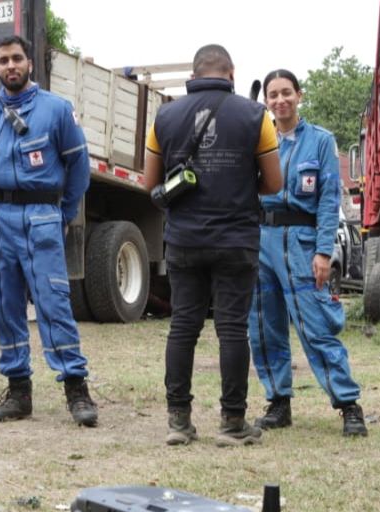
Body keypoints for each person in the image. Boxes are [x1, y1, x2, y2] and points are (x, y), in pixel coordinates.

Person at [143, 44, 282, 447]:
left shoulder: (164, 117)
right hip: (236, 239)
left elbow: (149, 184)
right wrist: (238, 185)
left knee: (183, 326)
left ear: (194, 72)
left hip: (184, 239)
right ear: (231, 72)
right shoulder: (256, 116)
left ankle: (179, 421)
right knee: (232, 329)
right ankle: (232, 422)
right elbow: (274, 184)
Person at [0, 34, 98, 427]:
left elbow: (78, 170)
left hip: (40, 216)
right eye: (3, 60)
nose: (11, 66)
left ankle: (77, 391)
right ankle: (19, 391)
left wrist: (58, 214)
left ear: (30, 63)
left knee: (53, 304)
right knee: (3, 305)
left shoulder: (56, 110)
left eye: (17, 59)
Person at [248, 70, 368, 437]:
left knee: (316, 327)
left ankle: (349, 406)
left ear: (299, 95)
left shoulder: (320, 141)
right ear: (266, 101)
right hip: (261, 240)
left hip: (301, 243)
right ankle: (278, 401)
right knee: (263, 328)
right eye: (273, 95)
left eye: (286, 93)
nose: (280, 100)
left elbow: (330, 199)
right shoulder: (255, 141)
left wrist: (323, 252)